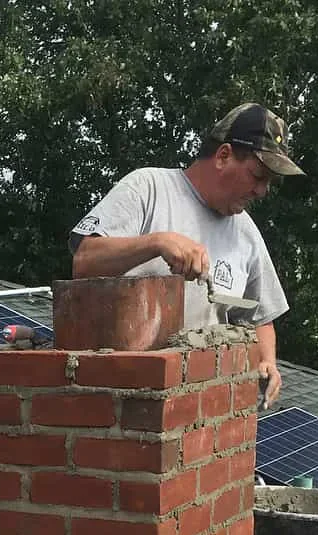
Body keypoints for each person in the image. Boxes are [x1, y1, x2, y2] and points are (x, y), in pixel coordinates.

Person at [69, 103, 304, 409]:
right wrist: (156, 242)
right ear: (223, 156)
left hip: (197, 415)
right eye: (258, 175)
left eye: (269, 183)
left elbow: (261, 318)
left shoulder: (247, 234)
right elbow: (84, 260)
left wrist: (268, 362)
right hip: (118, 403)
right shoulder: (148, 188)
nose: (262, 191)